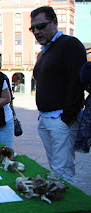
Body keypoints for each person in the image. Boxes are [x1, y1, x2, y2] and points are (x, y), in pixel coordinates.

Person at [31, 6, 86, 183]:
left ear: (54, 23)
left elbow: (77, 82)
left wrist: (67, 117)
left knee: (64, 171)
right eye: (33, 28)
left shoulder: (70, 44)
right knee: (56, 168)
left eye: (41, 26)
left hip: (61, 120)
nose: (37, 32)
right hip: (46, 119)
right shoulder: (44, 52)